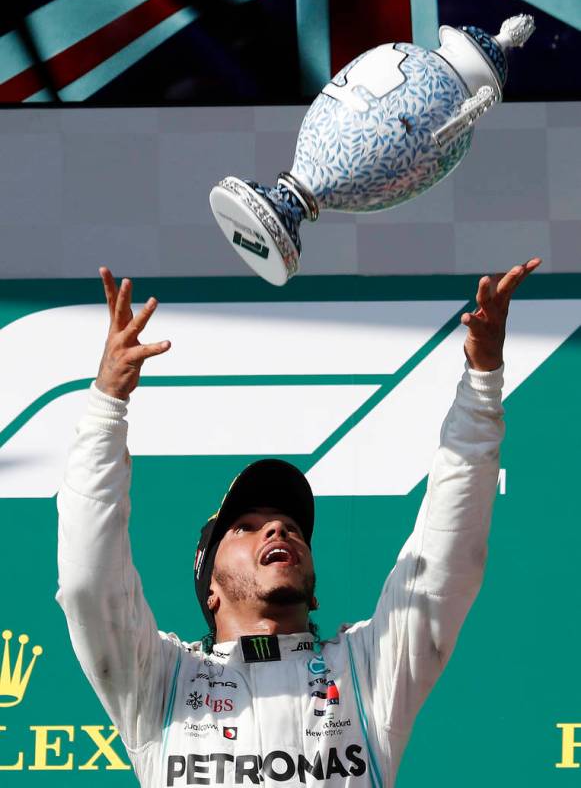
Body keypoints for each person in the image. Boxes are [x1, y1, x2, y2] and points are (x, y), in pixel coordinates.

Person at [57, 258, 541, 787]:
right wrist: (107, 408)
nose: (278, 531)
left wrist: (482, 383)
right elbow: (89, 583)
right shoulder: (161, 682)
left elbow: (448, 554)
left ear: (314, 594)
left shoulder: (368, 671)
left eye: (289, 525)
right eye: (244, 526)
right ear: (209, 589)